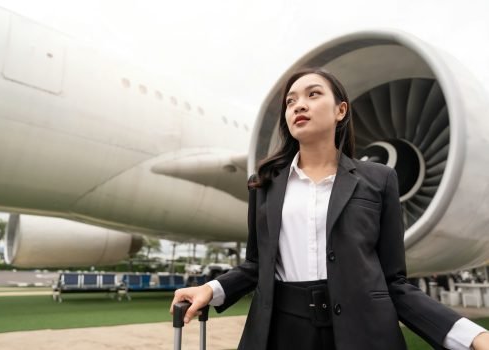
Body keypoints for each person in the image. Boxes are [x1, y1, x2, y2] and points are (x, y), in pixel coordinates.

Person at [170, 68, 489, 350]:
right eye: (291, 101)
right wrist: (210, 290)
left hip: (362, 331)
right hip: (282, 331)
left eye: (313, 94)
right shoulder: (264, 184)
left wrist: (471, 335)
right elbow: (255, 266)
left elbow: (394, 283)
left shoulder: (379, 180)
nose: (299, 105)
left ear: (341, 110)